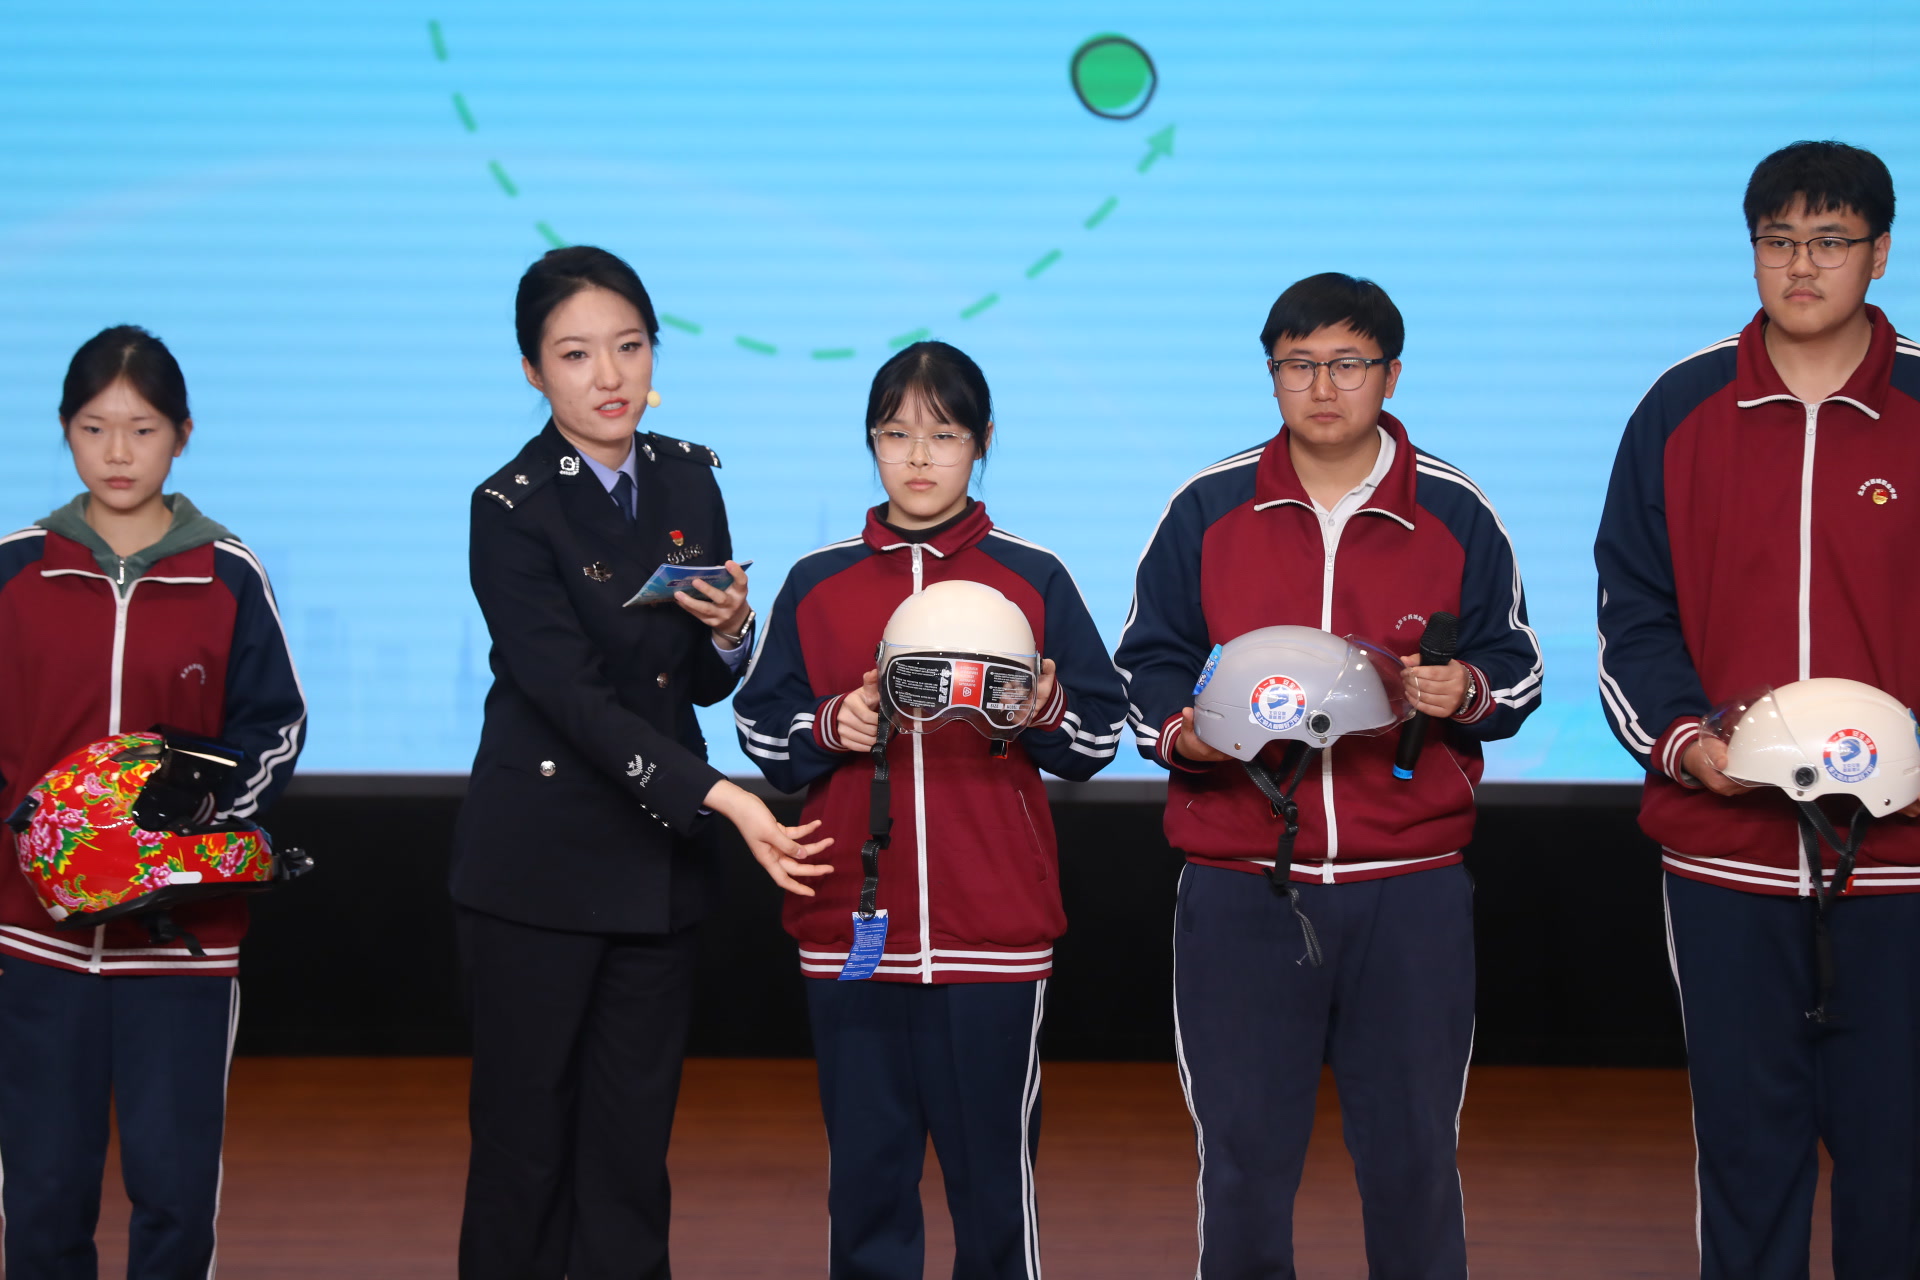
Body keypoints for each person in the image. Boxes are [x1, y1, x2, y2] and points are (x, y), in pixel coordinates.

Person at [1114, 274, 1542, 1278]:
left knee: (1413, 1163)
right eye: (1297, 364)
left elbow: (1517, 669)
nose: (1321, 386)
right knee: (1243, 1169)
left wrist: (1464, 690)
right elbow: (1147, 664)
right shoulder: (1208, 507)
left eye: (1347, 364)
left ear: (1391, 374)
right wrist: (1185, 735)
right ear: (1270, 375)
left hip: (1409, 888)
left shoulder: (1454, 510)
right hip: (1241, 886)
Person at [451, 244, 833, 1280]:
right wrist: (724, 798)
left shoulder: (686, 478)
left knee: (630, 1159)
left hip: (656, 866)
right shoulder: (510, 507)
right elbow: (571, 700)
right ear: (534, 370)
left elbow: (693, 681)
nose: (608, 375)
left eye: (629, 346)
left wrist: (730, 632)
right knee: (525, 1156)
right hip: (538, 868)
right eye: (576, 354)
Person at [733, 341, 1130, 1280]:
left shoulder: (1032, 576)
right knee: (867, 1188)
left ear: (983, 442)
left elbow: (1097, 740)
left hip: (994, 931)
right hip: (851, 931)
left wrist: (1042, 710)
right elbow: (761, 730)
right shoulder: (818, 579)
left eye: (945, 435)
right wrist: (835, 722)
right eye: (896, 433)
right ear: (870, 442)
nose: (918, 456)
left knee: (994, 1194)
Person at [1595, 140, 1920, 1278]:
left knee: (1900, 1161)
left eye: (1831, 241)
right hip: (1727, 856)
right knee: (1746, 1155)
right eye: (1779, 241)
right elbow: (1631, 610)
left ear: (1881, 253)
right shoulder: (1681, 407)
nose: (1802, 265)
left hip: (1904, 866)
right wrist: (1686, 742)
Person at [0, 325, 307, 1279]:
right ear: (66, 431)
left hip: (181, 948)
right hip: (35, 943)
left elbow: (278, 726)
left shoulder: (227, 576)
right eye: (94, 428)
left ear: (182, 434)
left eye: (142, 429)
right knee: (42, 1196)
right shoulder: (15, 570)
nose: (118, 453)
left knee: (174, 1200)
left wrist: (195, 811)